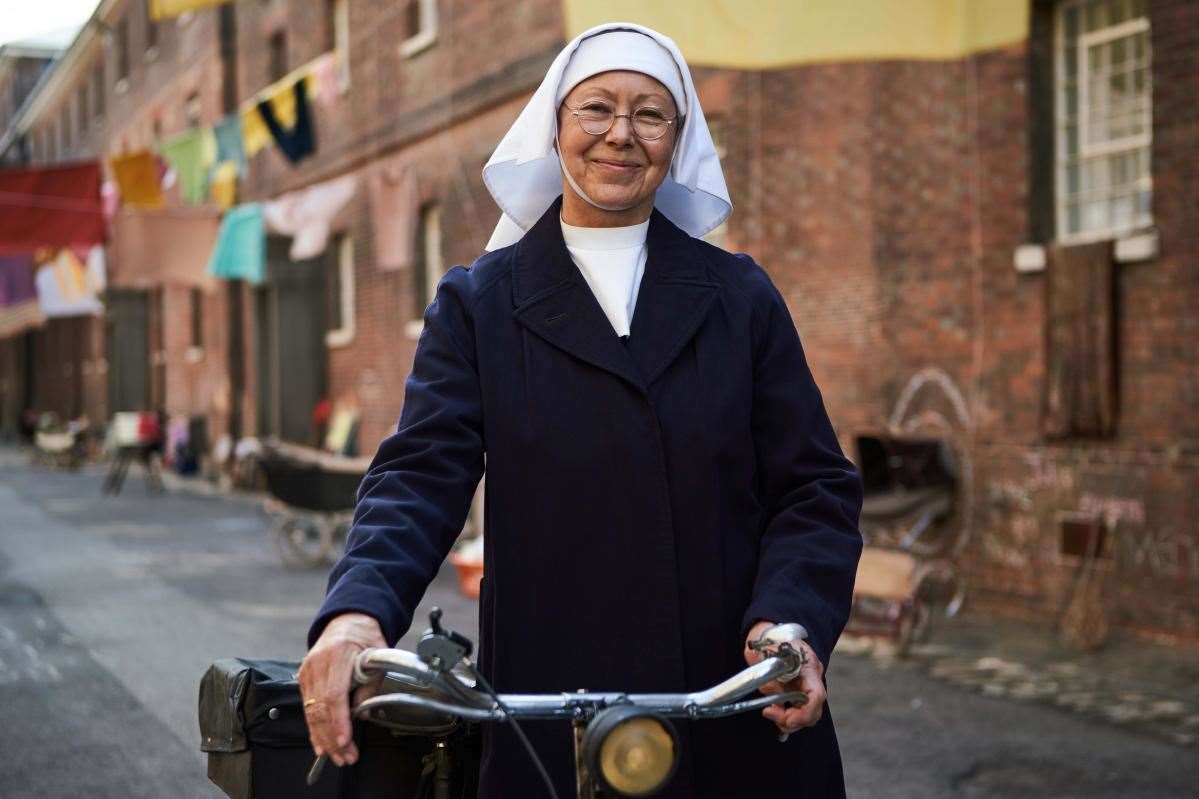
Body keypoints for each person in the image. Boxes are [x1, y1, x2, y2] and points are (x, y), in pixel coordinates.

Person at [299, 21, 863, 798]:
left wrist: (789, 624)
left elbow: (813, 488)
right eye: (596, 108)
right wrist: (356, 613)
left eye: (649, 114)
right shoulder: (479, 302)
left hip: (729, 700)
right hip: (550, 700)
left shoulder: (740, 297)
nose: (620, 135)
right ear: (555, 125)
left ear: (678, 136)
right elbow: (420, 475)